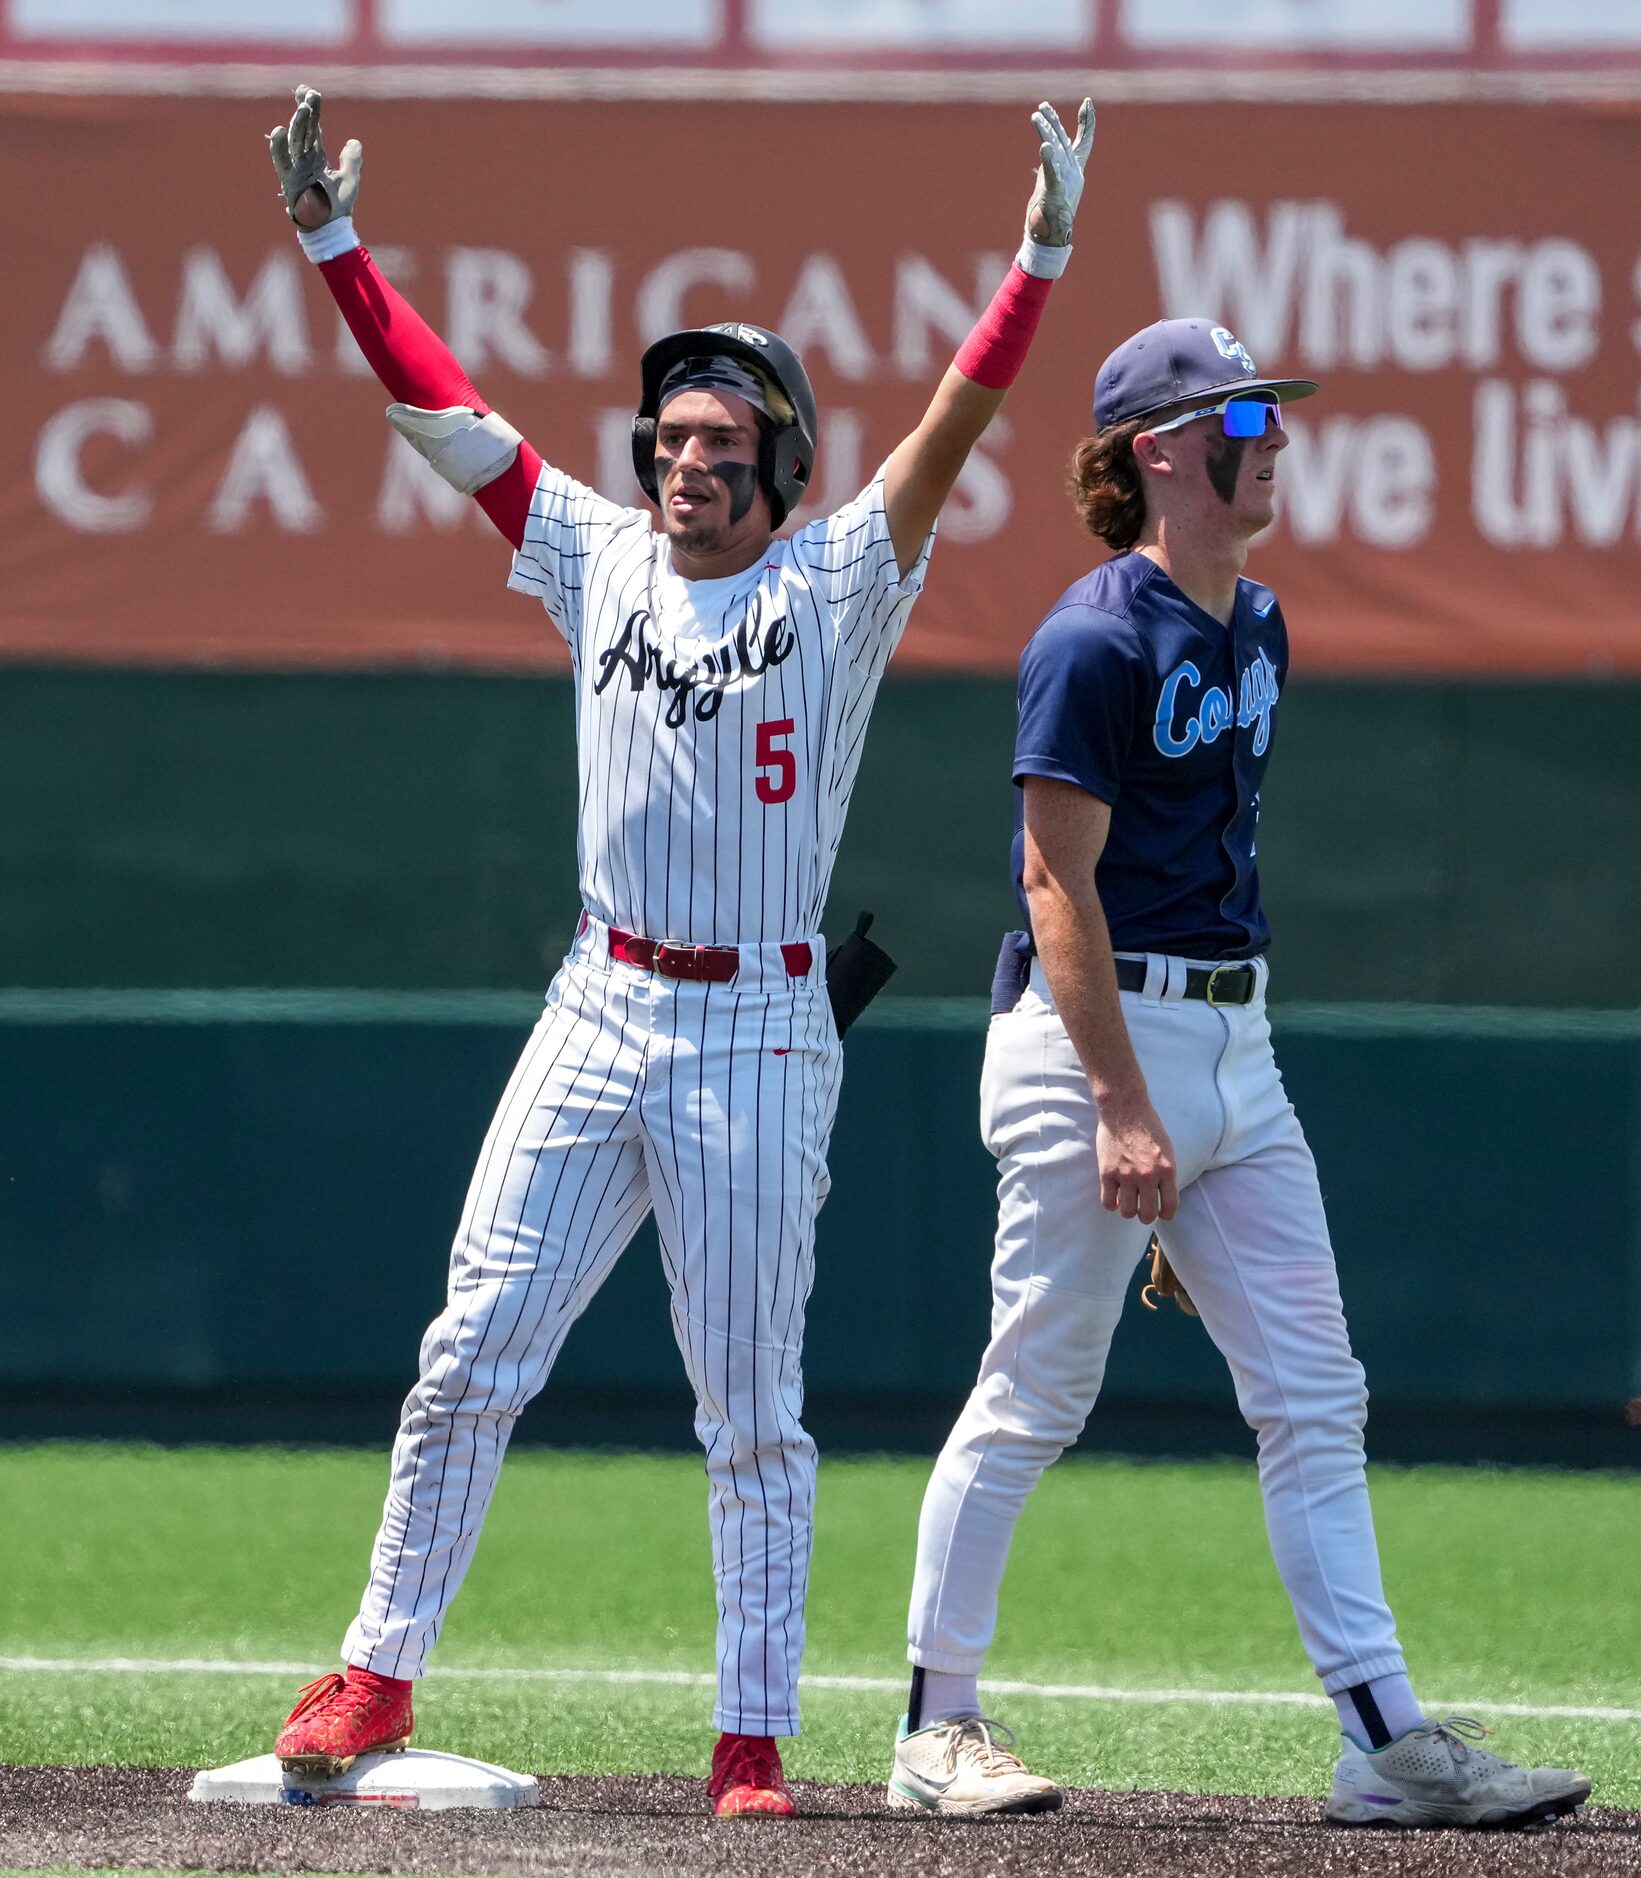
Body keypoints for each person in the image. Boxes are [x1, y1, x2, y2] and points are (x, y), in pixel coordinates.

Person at [259, 85, 1094, 1818]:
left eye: (724, 443)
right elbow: (446, 416)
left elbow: (946, 432)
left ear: (781, 470)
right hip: (598, 994)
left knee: (751, 1410)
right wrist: (336, 249)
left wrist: (1036, 258)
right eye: (671, 436)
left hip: (762, 1026)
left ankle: (747, 1743)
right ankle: (376, 1665)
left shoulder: (838, 584)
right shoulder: (599, 556)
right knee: (468, 1348)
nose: (687, 459)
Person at [884, 318, 1593, 1831]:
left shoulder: (1254, 623)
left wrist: (1195, 1147)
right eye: (1243, 415)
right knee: (1034, 1390)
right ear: (1159, 449)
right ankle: (934, 1722)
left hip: (1232, 1044)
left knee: (1314, 1393)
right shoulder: (1092, 636)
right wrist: (1131, 1112)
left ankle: (1383, 1742)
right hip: (1096, 1049)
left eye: (1269, 412)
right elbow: (1052, 883)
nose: (1271, 436)